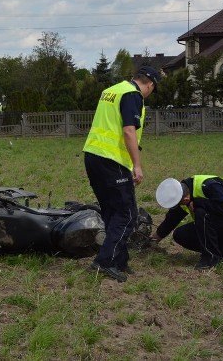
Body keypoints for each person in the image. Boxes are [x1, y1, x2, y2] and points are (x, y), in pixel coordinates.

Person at [83, 65, 160, 282]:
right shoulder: (132, 95)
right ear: (150, 84)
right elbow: (128, 130)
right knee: (127, 215)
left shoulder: (112, 90)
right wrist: (137, 165)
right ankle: (103, 262)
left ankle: (120, 260)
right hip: (113, 160)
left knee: (111, 212)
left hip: (92, 156)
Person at [152, 175, 223, 270]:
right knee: (180, 234)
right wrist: (153, 240)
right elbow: (171, 220)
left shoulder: (210, 185)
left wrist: (198, 203)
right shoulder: (182, 194)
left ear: (185, 198)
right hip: (222, 223)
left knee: (202, 213)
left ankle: (211, 259)